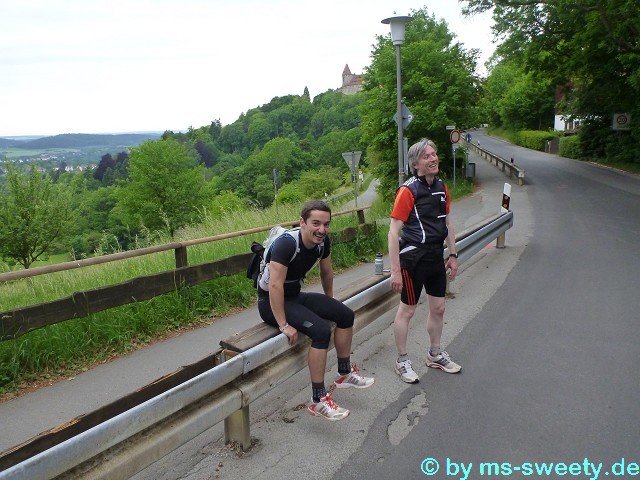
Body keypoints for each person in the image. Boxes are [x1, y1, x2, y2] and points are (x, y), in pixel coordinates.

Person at [257, 200, 374, 421]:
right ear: (302, 222)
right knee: (320, 331)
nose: (322, 230)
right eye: (316, 223)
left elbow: (326, 272)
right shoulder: (287, 244)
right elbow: (274, 286)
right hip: (270, 303)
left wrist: (331, 304)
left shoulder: (322, 243)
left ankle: (344, 373)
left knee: (345, 315)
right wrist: (283, 325)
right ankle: (318, 399)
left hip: (294, 295)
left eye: (326, 224)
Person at [388, 138, 462, 384]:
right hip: (413, 259)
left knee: (439, 308)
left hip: (435, 256)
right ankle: (402, 361)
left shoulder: (441, 187)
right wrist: (395, 271)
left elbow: (448, 222)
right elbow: (393, 232)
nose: (433, 159)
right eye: (427, 156)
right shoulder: (408, 190)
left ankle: (435, 354)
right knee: (407, 310)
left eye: (434, 154)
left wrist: (453, 255)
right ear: (415, 164)